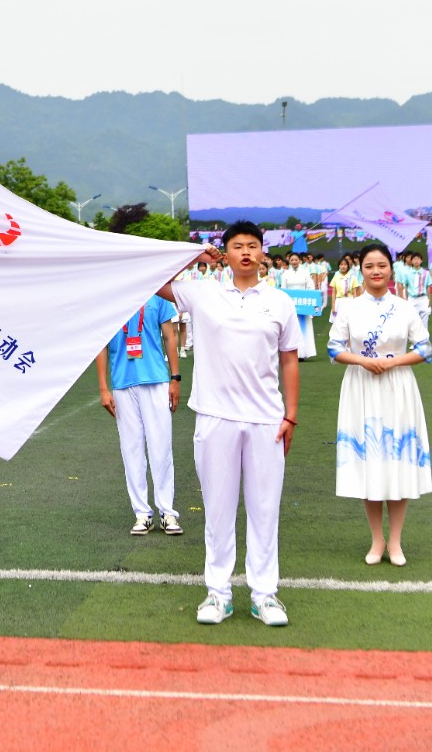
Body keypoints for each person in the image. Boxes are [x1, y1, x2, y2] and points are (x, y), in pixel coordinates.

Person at [156, 220, 299, 628]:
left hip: (266, 420)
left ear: (263, 252)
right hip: (215, 417)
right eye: (237, 246)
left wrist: (290, 414)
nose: (246, 252)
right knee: (218, 510)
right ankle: (218, 593)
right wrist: (193, 256)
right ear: (226, 253)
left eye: (253, 245)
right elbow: (155, 282)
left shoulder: (279, 302)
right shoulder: (203, 293)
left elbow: (290, 359)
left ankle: (264, 594)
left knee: (264, 509)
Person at [328, 243, 432, 566]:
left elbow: (425, 348)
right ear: (360, 269)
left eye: (382, 265)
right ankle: (377, 540)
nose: (376, 271)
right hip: (361, 386)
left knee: (397, 462)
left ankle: (396, 541)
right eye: (369, 266)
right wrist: (363, 360)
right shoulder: (348, 307)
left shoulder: (405, 308)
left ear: (391, 269)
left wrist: (393, 362)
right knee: (370, 461)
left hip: (398, 386)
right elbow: (334, 348)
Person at [95, 295, 182, 536]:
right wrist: (103, 387)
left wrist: (175, 378)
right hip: (123, 383)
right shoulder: (107, 300)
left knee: (161, 447)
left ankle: (167, 512)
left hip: (156, 380)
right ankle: (142, 513)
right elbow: (101, 343)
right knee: (131, 449)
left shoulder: (158, 294)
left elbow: (170, 336)